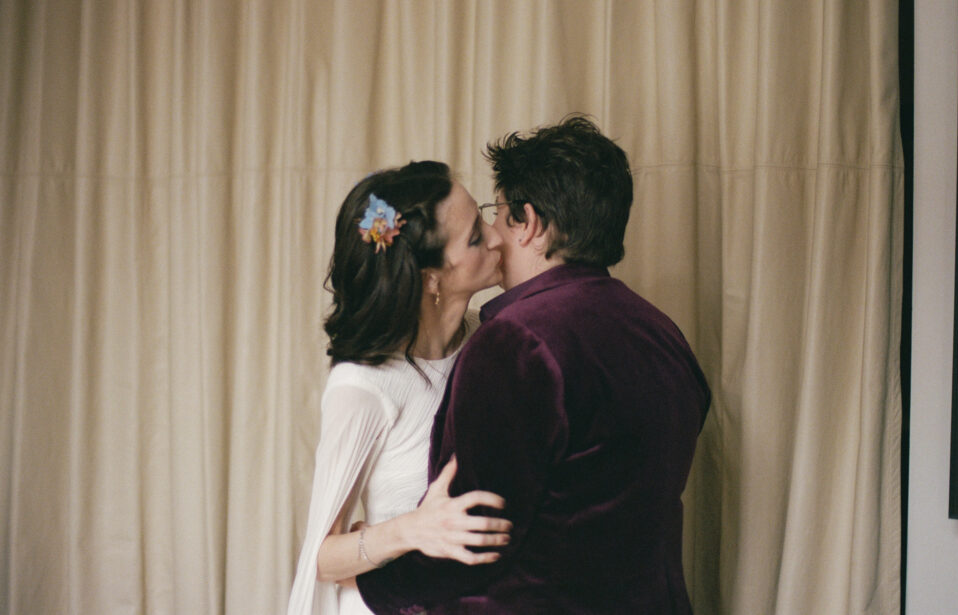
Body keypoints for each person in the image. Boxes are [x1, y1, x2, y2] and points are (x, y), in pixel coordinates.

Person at [356, 116, 712, 614]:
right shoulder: (664, 334)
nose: (493, 236)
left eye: (498, 215)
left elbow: (474, 541)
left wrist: (368, 577)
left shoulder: (515, 343)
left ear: (533, 224)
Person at [287, 160, 513, 615]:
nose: (496, 236)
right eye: (474, 236)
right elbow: (321, 558)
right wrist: (413, 529)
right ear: (431, 278)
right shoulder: (364, 385)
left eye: (485, 215)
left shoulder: (491, 343)